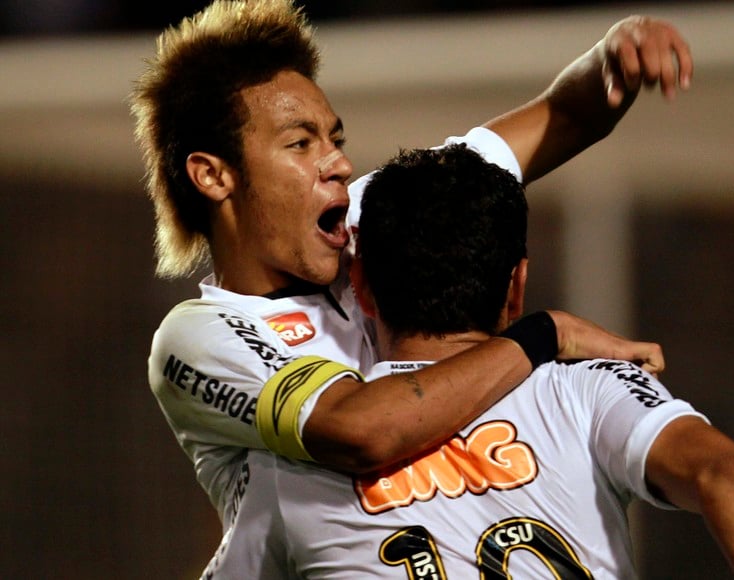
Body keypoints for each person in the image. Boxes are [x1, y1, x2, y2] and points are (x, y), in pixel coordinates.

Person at [129, 0, 691, 569]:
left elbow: (566, 117)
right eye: (300, 144)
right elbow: (358, 429)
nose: (338, 164)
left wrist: (614, 55)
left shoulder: (379, 219)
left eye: (335, 139)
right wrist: (544, 335)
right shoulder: (199, 338)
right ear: (213, 175)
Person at [231, 144, 734, 578]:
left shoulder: (298, 454)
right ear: (517, 284)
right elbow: (727, 478)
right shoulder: (590, 391)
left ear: (360, 285)